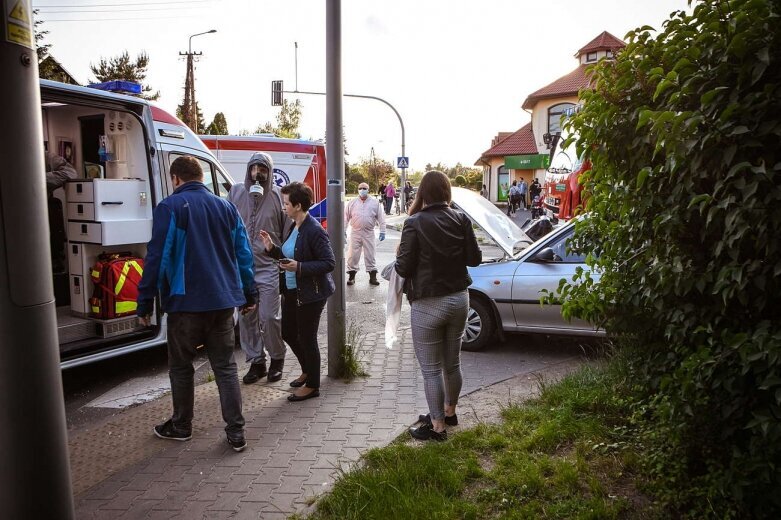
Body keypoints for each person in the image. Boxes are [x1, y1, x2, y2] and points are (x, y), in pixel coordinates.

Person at [137, 156, 255, 452]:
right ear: (201, 177)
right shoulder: (226, 207)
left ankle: (181, 426)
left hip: (185, 304)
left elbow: (157, 257)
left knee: (180, 367)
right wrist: (249, 292)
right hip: (222, 302)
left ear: (176, 178)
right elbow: (243, 253)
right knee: (226, 368)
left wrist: (145, 301)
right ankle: (236, 432)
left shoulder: (170, 207)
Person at [395, 170, 481, 441]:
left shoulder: (414, 222)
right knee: (452, 364)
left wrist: (398, 257)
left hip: (428, 303)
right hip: (459, 299)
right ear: (446, 192)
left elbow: (404, 266)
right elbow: (475, 259)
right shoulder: (461, 218)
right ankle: (449, 412)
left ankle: (437, 427)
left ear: (422, 193)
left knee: (431, 369)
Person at [258, 182, 335, 402]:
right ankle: (307, 370)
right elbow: (289, 256)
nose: (283, 207)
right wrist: (272, 249)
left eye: (286, 203)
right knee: (289, 333)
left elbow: (328, 263)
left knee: (307, 338)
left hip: (311, 293)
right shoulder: (295, 226)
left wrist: (299, 267)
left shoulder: (314, 230)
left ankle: (313, 385)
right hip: (292, 290)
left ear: (298, 205)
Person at [228, 152, 290, 385]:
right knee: (246, 317)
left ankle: (277, 358)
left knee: (269, 317)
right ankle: (256, 361)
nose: (257, 173)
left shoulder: (276, 196)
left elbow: (287, 233)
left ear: (269, 171)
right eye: (253, 168)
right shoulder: (236, 192)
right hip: (242, 267)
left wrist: (282, 258)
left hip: (268, 267)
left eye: (262, 169)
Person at [346, 182, 386, 286]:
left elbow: (381, 218)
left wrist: (382, 231)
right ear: (358, 189)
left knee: (370, 255)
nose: (362, 190)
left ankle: (372, 277)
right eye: (360, 188)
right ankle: (351, 276)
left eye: (364, 188)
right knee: (353, 255)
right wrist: (343, 231)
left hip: (369, 233)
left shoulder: (375, 203)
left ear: (368, 189)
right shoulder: (352, 203)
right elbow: (345, 218)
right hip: (355, 232)